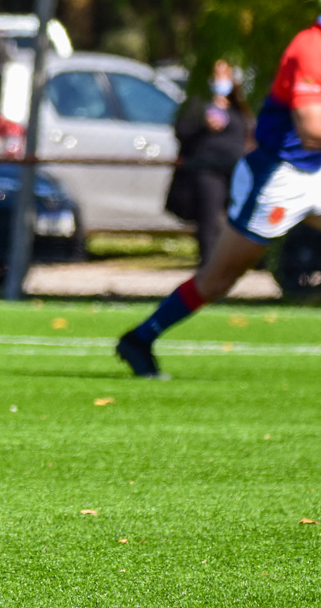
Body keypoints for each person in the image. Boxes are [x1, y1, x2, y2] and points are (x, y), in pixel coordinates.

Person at [119, 26, 321, 378]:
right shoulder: (310, 47)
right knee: (218, 279)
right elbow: (310, 129)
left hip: (315, 172)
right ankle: (140, 337)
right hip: (279, 178)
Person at [164, 59, 252, 268]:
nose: (221, 80)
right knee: (209, 220)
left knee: (237, 220)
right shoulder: (197, 103)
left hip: (234, 169)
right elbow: (181, 130)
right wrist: (203, 122)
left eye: (225, 74)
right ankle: (210, 266)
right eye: (217, 74)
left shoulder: (239, 105)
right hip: (206, 169)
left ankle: (235, 262)